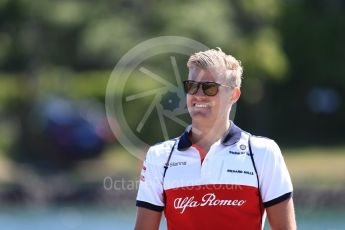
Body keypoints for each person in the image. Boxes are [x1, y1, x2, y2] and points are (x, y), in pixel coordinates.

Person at [134, 48, 296, 230]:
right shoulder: (159, 156)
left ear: (234, 95)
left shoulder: (263, 152)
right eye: (192, 86)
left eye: (209, 87)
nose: (198, 94)